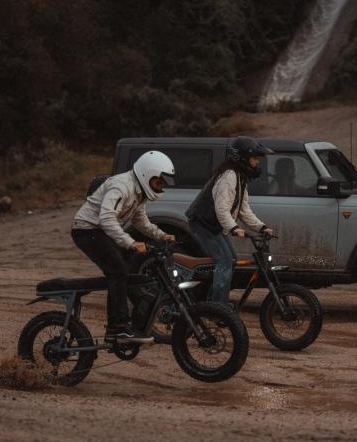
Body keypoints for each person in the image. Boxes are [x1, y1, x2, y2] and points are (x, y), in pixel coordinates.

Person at [71, 151, 176, 343]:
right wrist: (131, 243)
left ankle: (134, 321)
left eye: (162, 184)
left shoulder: (139, 192)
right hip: (87, 230)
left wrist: (161, 235)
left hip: (102, 230)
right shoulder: (121, 186)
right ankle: (117, 328)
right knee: (117, 271)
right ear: (146, 174)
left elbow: (141, 221)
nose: (161, 187)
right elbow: (106, 218)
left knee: (127, 268)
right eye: (159, 182)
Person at [186, 136, 274, 305]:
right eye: (255, 158)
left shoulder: (240, 177)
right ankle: (218, 306)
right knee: (225, 261)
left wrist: (261, 227)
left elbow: (243, 209)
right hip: (203, 223)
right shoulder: (229, 176)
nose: (257, 162)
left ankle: (211, 300)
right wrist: (233, 228)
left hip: (214, 225)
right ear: (241, 158)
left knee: (231, 260)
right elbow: (221, 208)